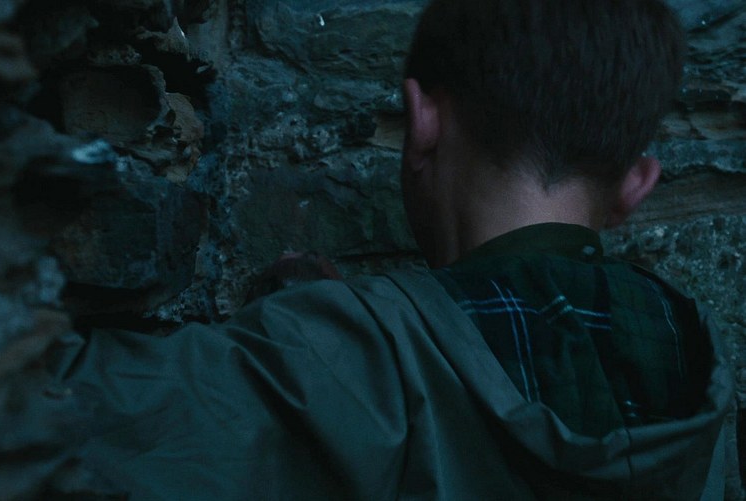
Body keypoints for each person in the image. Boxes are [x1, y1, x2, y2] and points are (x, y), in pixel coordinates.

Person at [53, 0, 734, 498]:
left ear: (421, 122)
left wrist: (322, 344)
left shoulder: (340, 349)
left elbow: (57, 407)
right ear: (635, 185)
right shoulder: (697, 359)